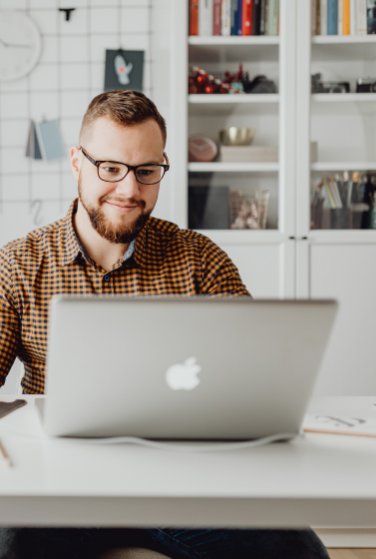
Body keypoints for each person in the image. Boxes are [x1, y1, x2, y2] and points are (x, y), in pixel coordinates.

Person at [0, 90, 329, 559]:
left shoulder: (200, 259)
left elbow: (258, 386)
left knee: (302, 555)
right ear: (76, 161)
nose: (129, 190)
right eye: (110, 168)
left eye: (146, 171)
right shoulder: (18, 264)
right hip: (61, 486)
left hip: (188, 482)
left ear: (162, 168)